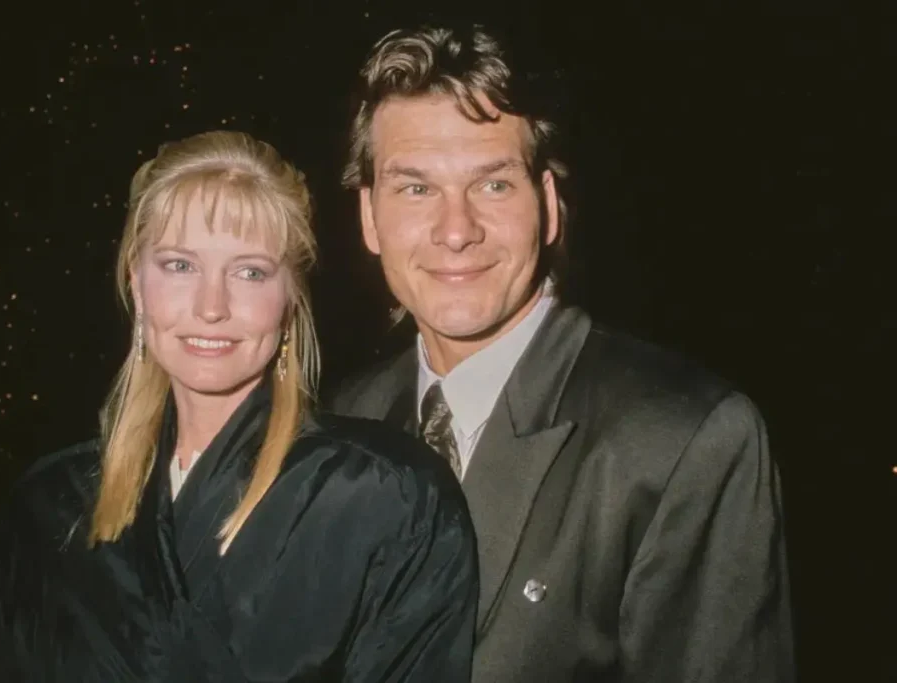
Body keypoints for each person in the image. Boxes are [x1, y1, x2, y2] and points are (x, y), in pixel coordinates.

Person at [328, 25, 794, 683]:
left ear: (547, 208)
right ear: (370, 218)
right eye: (415, 188)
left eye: (493, 185)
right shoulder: (343, 420)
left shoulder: (683, 439)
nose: (456, 230)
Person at [0, 130, 478, 682]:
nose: (212, 306)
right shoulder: (46, 510)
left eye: (249, 272)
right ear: (137, 284)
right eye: (179, 266)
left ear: (289, 300)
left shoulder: (389, 496)